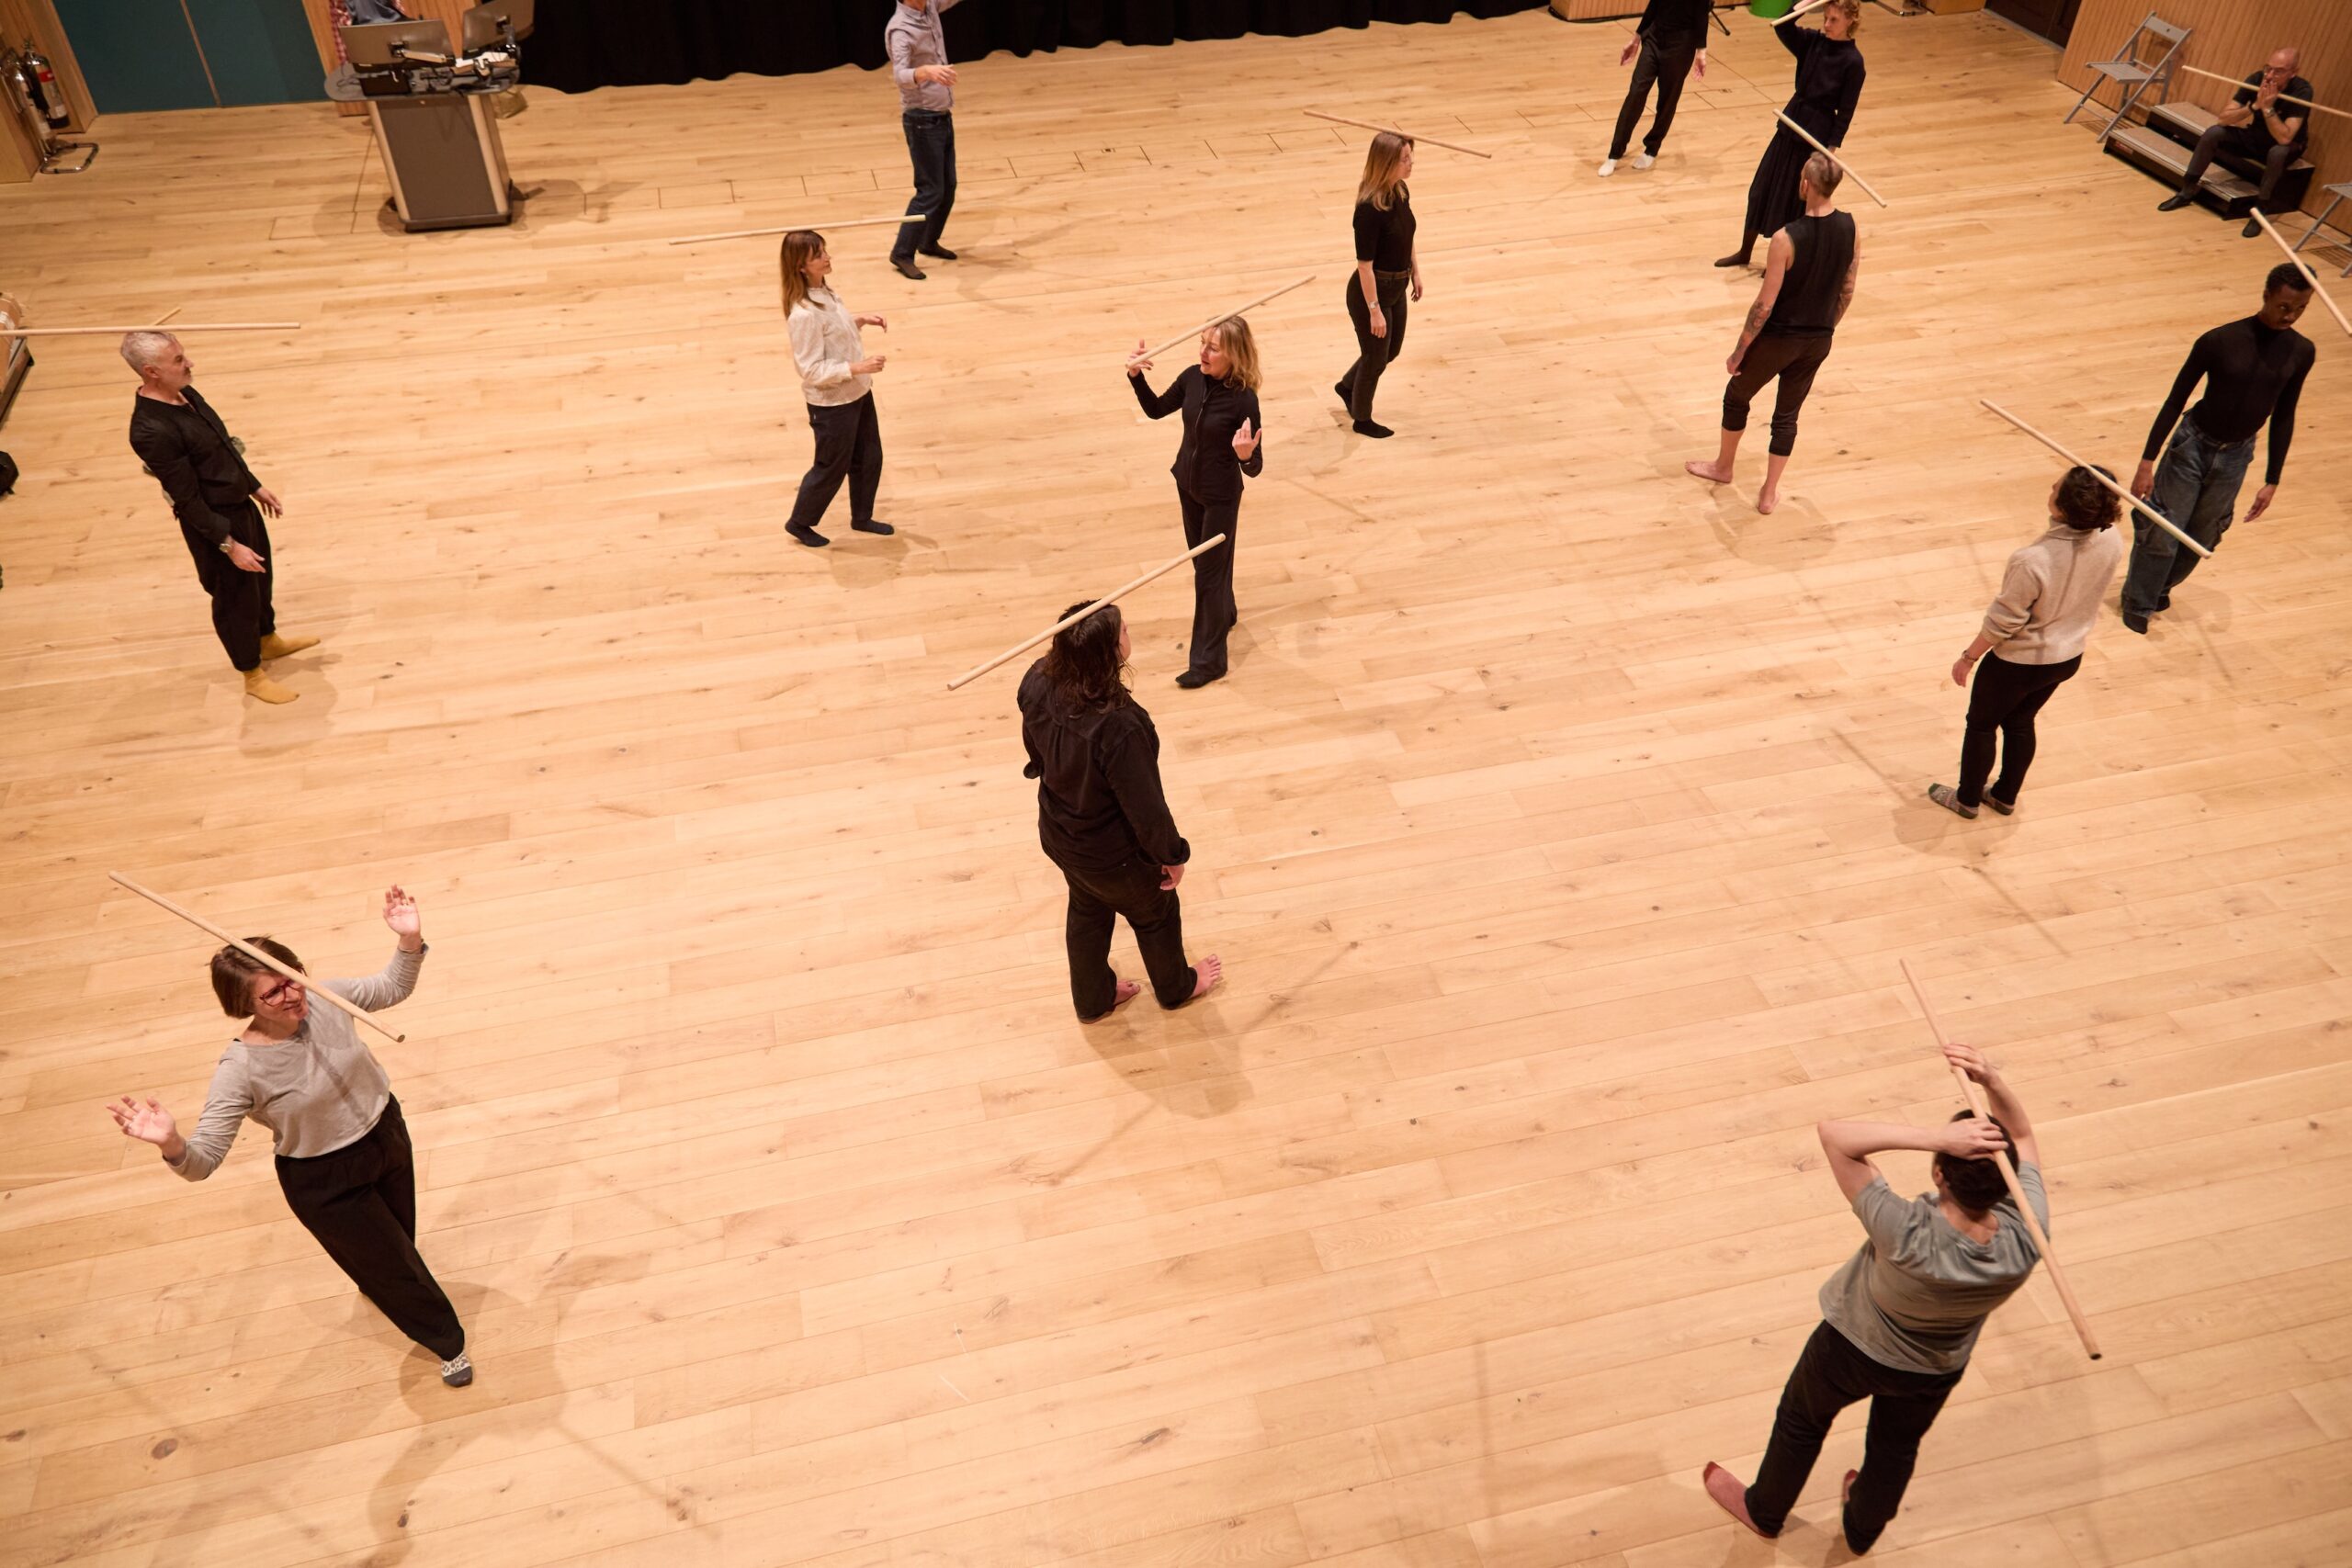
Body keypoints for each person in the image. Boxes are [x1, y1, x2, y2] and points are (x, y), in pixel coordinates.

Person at [107, 887, 472, 1387]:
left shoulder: (324, 997)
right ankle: (447, 1342)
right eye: (271, 993)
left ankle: (380, 1281)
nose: (291, 995)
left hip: (385, 1132)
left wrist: (410, 940)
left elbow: (392, 988)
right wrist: (171, 1142)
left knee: (396, 1242)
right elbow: (203, 1161)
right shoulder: (240, 1070)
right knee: (397, 1269)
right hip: (326, 1179)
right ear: (242, 1004)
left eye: (290, 979)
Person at [1702, 1043, 2047, 1555]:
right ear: (2006, 1186)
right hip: (1935, 1367)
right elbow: (2021, 1135)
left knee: (1802, 1419)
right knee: (1895, 1449)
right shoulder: (2028, 1233)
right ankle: (1861, 1532)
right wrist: (1993, 1082)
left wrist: (1939, 1136)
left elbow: (1835, 1136)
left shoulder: (1904, 1230)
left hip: (1849, 1347)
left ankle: (1764, 1510)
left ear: (1939, 1173)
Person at [1018, 604, 1223, 1021]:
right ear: (1111, 653)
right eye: (1124, 630)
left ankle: (1093, 999)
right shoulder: (1121, 725)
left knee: (1088, 907)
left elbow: (1035, 748)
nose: (1130, 631)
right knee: (1155, 916)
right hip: (1114, 856)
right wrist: (1171, 855)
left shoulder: (1037, 678)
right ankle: (1176, 988)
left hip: (1060, 833)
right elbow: (1146, 806)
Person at [122, 331, 318, 705]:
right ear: (151, 371)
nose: (189, 363)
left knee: (261, 583)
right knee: (235, 599)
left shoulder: (186, 395)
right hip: (214, 524)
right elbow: (188, 499)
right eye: (178, 360)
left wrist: (253, 486)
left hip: (239, 505)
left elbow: (222, 445)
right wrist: (228, 545)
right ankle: (251, 674)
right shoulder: (151, 430)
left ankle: (267, 639)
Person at [2120, 263, 2315, 633]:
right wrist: (2147, 461)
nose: (2290, 316)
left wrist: (2273, 479)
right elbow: (2175, 400)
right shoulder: (2219, 341)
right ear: (2267, 296)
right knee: (2162, 526)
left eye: (2301, 309)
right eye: (2284, 306)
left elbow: (2284, 415)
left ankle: (2160, 587)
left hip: (2237, 455)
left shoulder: (2302, 351)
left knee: (2204, 534)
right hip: (2192, 445)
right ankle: (2138, 600)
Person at [1927, 468, 2125, 820]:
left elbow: (2003, 621)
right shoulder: (2112, 540)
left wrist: (1968, 657)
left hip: (2018, 664)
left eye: (2056, 488)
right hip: (2067, 657)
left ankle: (1967, 799)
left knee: (1982, 725)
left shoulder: (2033, 560)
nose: (2050, 487)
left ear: (2063, 508)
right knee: (2020, 722)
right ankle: (2004, 795)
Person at [1686, 152, 1858, 515]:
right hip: (1819, 340)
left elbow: (1764, 305)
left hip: (1779, 339)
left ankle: (1724, 467)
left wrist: (1739, 351)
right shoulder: (1852, 229)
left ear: (1805, 185)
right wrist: (1823, 331)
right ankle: (1768, 493)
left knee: (1737, 396)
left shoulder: (1785, 238)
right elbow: (1847, 290)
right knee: (1787, 416)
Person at [1126, 318, 1265, 688]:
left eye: (1213, 347)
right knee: (1205, 566)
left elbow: (1255, 466)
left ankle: (1208, 662)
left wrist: (1245, 455)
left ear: (1233, 355)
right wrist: (1137, 377)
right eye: (1203, 343)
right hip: (1187, 486)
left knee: (1207, 575)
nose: (1203, 352)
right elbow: (1156, 410)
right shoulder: (1191, 377)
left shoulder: (1243, 399)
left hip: (1220, 496)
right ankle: (1226, 611)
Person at [1719, 0, 1863, 269]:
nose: (1826, 24)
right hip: (1792, 120)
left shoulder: (1854, 62)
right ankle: (1745, 252)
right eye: (1826, 18)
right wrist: (1805, 2)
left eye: (1834, 20)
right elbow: (1782, 26)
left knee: (1794, 201)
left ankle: (1782, 264)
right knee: (1761, 188)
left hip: (1815, 133)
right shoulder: (1813, 42)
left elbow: (1845, 111)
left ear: (1849, 21)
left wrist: (1830, 150)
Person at [779, 230, 894, 548]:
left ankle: (862, 516)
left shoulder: (825, 293)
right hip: (832, 405)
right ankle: (800, 522)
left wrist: (858, 320)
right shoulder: (803, 315)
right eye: (818, 255)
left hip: (857, 392)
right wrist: (857, 367)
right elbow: (810, 369)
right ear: (801, 266)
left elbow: (832, 333)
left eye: (824, 251)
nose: (827, 258)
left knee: (869, 456)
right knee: (831, 466)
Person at [2157, 48, 2313, 238]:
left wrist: (2267, 108)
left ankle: (2259, 211)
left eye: (2278, 71)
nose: (2270, 76)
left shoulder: (2302, 91)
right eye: (2268, 68)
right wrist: (2254, 106)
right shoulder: (2257, 79)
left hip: (2287, 146)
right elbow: (2223, 119)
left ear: (2294, 72)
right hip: (2255, 136)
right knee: (2214, 133)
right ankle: (2187, 191)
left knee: (2278, 152)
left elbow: (2285, 138)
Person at [1336, 132, 1422, 439]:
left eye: (1411, 156)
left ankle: (1347, 385)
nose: (1411, 163)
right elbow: (1364, 266)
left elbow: (1407, 234)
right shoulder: (1369, 210)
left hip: (1397, 285)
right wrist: (1374, 310)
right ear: (1386, 163)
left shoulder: (1400, 190)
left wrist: (1416, 272)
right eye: (1405, 158)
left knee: (1391, 350)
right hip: (1370, 291)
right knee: (1375, 358)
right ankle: (1361, 418)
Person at [885, 0, 965, 281]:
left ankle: (928, 241)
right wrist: (927, 71)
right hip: (921, 120)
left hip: (942, 116)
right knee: (930, 190)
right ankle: (902, 252)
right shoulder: (900, 29)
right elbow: (900, 74)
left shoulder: (929, 7)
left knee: (948, 186)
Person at [1600, 0, 1712, 177]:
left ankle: (1651, 149)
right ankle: (1614, 153)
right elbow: (1655, 4)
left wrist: (1701, 52)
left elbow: (1701, 14)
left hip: (1681, 45)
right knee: (1636, 92)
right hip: (1654, 37)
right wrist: (1636, 38)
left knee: (1667, 99)